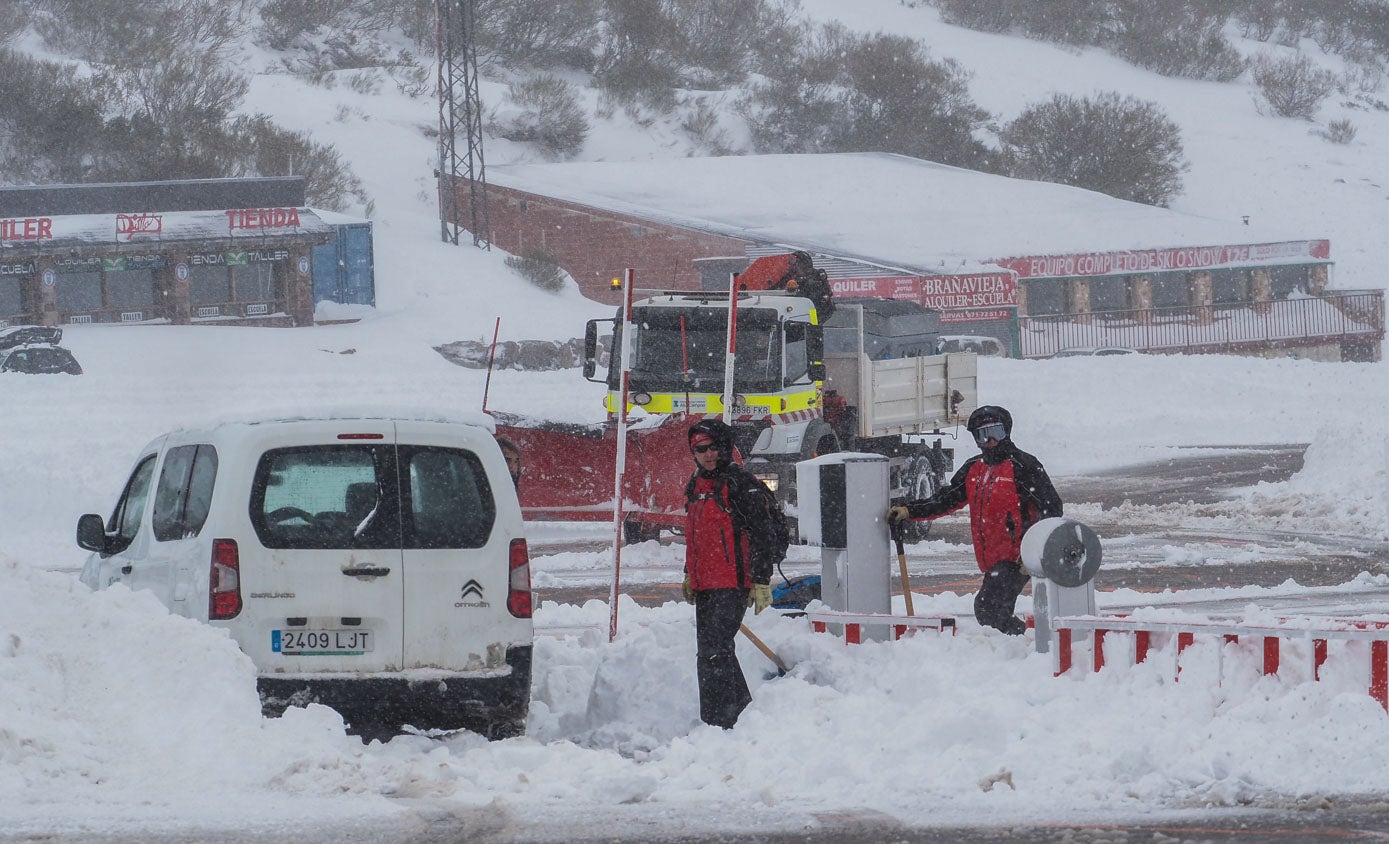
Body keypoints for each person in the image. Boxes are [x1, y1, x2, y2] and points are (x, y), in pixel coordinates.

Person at [887, 405, 1062, 635]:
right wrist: (909, 510)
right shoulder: (975, 468)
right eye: (982, 435)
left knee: (989, 609)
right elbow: (947, 499)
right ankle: (1023, 644)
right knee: (991, 611)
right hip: (992, 558)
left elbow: (1052, 508)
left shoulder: (1024, 466)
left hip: (1016, 558)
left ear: (1006, 432)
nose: (990, 440)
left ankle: (1026, 645)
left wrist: (1032, 550)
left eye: (996, 432)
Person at [681, 418, 778, 728]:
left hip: (734, 583)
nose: (709, 454)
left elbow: (763, 535)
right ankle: (737, 714)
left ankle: (720, 722)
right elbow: (697, 535)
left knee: (715, 651)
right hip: (706, 584)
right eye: (701, 449)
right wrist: (689, 574)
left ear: (726, 448)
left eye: (715, 448)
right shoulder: (695, 485)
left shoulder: (741, 484)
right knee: (710, 652)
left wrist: (761, 581)